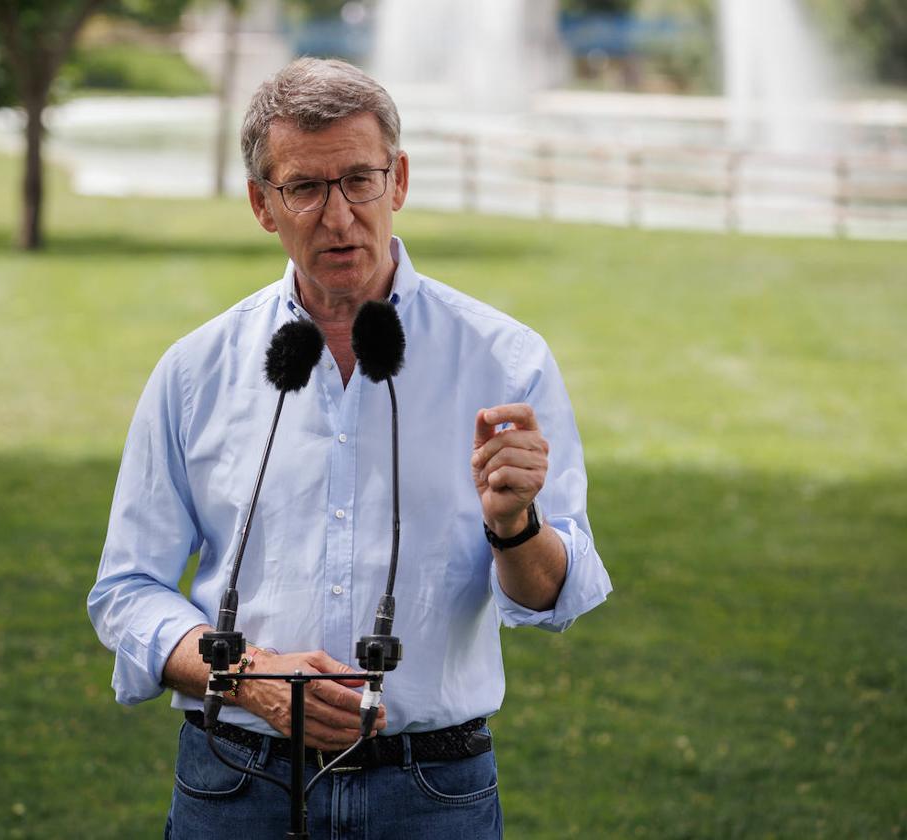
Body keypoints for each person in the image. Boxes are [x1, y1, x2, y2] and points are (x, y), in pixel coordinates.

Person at [88, 58, 612, 839]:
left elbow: (551, 595)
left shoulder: (505, 361)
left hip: (433, 794)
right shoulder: (196, 371)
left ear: (398, 180)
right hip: (234, 787)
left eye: (360, 181)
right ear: (263, 205)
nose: (339, 218)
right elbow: (126, 591)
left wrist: (515, 525)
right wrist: (247, 676)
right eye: (306, 188)